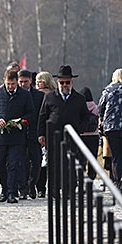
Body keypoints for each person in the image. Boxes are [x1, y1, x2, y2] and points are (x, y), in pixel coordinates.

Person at [37, 65, 90, 195]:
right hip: (54, 136)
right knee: (54, 164)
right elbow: (42, 116)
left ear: (71, 82)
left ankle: (69, 189)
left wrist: (80, 128)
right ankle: (54, 190)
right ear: (57, 83)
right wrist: (41, 134)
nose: (64, 85)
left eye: (67, 82)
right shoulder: (50, 97)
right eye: (62, 82)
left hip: (72, 136)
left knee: (70, 164)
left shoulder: (79, 98)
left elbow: (86, 117)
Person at [0, 69, 34, 203]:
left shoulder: (24, 95)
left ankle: (12, 192)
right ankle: (5, 189)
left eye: (13, 84)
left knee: (13, 164)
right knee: (1, 164)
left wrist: (20, 122)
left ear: (16, 83)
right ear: (4, 81)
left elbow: (31, 113)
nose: (10, 87)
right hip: (1, 137)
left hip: (17, 137)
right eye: (8, 84)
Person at [18, 70, 44, 199]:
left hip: (34, 132)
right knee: (21, 161)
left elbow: (42, 115)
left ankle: (31, 184)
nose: (23, 84)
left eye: (25, 82)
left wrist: (42, 133)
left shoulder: (39, 96)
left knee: (36, 161)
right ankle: (22, 187)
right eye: (20, 82)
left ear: (30, 81)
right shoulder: (15, 95)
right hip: (19, 133)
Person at [98, 68, 122, 186]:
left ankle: (118, 181)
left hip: (112, 128)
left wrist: (102, 120)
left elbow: (100, 108)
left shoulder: (108, 91)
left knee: (116, 156)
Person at [35, 71, 57, 197]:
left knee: (52, 162)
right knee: (42, 161)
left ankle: (52, 187)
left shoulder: (52, 95)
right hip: (41, 130)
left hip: (52, 130)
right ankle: (41, 187)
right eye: (37, 81)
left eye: (41, 81)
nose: (38, 83)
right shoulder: (34, 94)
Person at [79, 87, 98, 180]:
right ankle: (91, 176)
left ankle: (82, 176)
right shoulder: (95, 106)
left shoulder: (79, 106)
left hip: (81, 135)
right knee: (92, 157)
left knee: (81, 157)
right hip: (94, 135)